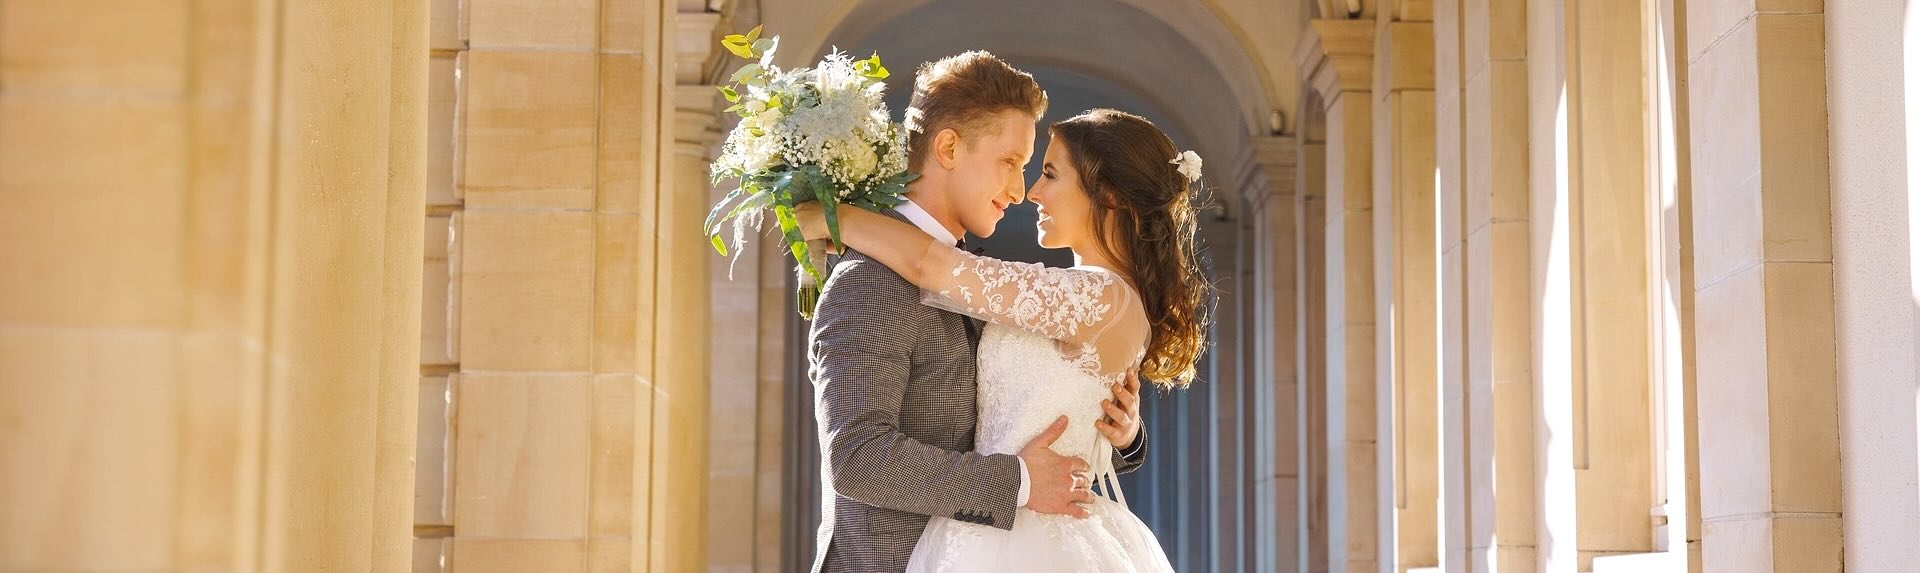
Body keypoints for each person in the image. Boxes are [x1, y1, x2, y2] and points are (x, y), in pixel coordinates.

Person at [799, 108, 1210, 571]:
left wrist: (836, 218)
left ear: (1109, 194)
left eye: (1049, 174)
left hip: (1024, 539)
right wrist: (1127, 438)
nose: (1030, 191)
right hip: (988, 529)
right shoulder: (1083, 297)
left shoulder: (1098, 297)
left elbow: (934, 268)